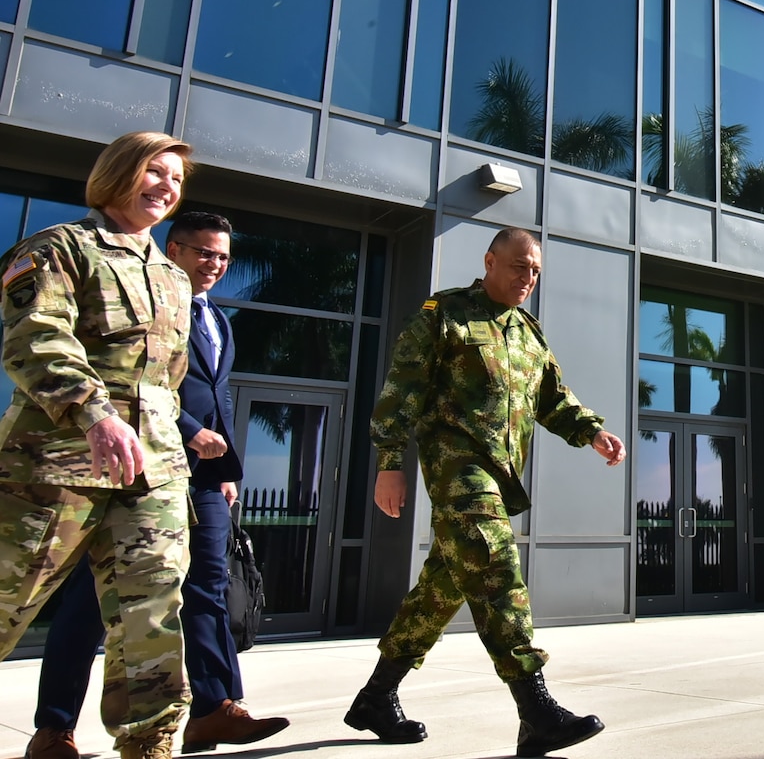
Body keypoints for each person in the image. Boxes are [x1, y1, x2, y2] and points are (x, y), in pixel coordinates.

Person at [345, 227, 626, 757]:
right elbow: (400, 391)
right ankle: (535, 707)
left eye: (536, 270)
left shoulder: (529, 333)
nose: (528, 278)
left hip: (501, 478)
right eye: (519, 266)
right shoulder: (444, 315)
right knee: (497, 568)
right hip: (458, 470)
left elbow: (553, 400)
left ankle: (375, 698)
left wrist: (591, 432)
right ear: (490, 261)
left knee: (440, 591)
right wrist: (390, 464)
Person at [24, 213, 291, 759]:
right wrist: (191, 435)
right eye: (203, 253)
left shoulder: (217, 317)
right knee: (92, 600)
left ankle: (214, 710)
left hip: (204, 479)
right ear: (174, 249)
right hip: (137, 461)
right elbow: (139, 382)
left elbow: (218, 395)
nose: (213, 265)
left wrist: (226, 472)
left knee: (207, 587)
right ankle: (55, 729)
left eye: (222, 257)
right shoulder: (147, 302)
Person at [0, 132, 196, 759]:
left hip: (154, 474)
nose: (165, 186)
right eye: (153, 171)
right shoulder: (59, 249)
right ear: (118, 173)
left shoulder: (173, 277)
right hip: (58, 463)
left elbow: (169, 379)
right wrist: (95, 414)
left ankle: (151, 746)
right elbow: (36, 339)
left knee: (153, 617)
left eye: (175, 179)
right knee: (7, 596)